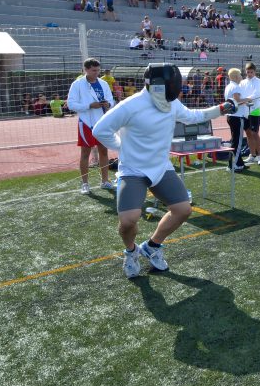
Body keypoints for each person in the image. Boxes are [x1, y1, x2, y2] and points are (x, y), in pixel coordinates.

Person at [92, 63, 236, 278]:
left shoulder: (172, 104)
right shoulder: (130, 105)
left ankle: (152, 246)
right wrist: (122, 147)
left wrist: (222, 108)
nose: (176, 89)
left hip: (161, 168)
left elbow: (193, 116)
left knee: (183, 210)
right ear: (159, 85)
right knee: (128, 220)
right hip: (133, 170)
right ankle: (131, 252)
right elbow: (100, 130)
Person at [66, 58, 115, 194]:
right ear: (86, 70)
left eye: (98, 70)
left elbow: (111, 100)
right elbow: (71, 104)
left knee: (104, 151)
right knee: (85, 153)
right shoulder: (77, 84)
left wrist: (108, 104)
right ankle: (85, 184)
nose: (96, 73)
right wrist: (89, 106)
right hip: (86, 122)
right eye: (94, 70)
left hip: (102, 122)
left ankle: (105, 181)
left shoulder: (104, 83)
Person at [224, 68, 249, 172]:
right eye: (240, 75)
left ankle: (238, 162)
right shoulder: (235, 87)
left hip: (231, 116)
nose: (241, 77)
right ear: (235, 76)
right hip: (237, 117)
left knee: (234, 140)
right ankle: (235, 165)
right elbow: (237, 101)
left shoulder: (229, 86)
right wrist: (248, 99)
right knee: (237, 142)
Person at [241, 62, 260, 165]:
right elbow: (241, 94)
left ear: (255, 72)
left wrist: (245, 100)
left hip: (255, 110)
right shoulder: (242, 82)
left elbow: (256, 94)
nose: (249, 74)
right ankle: (252, 155)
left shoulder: (259, 82)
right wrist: (243, 101)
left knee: (255, 133)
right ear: (245, 72)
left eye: (251, 72)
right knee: (248, 133)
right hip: (245, 111)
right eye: (248, 72)